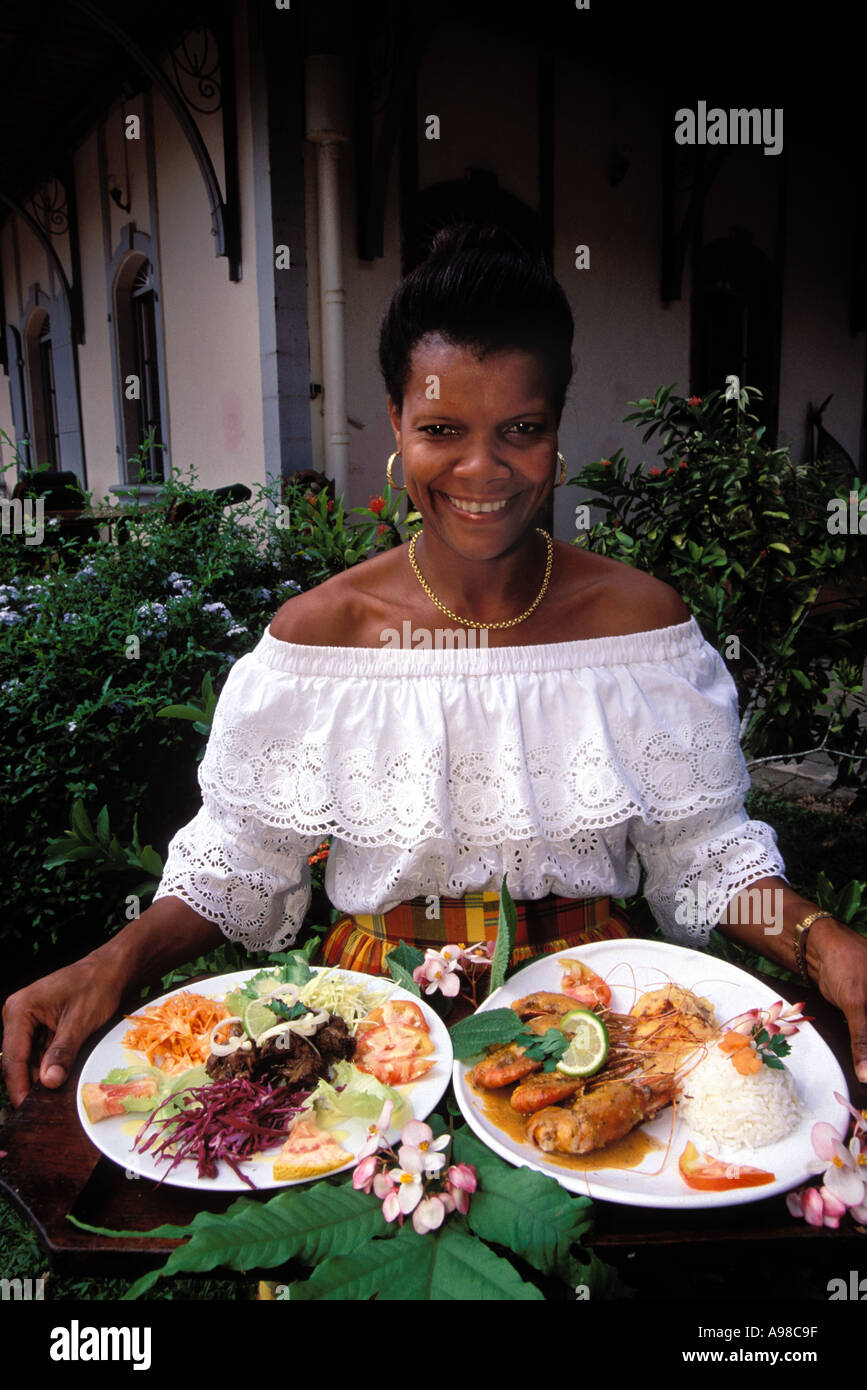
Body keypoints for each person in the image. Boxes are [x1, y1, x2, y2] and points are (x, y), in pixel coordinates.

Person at [4, 224, 867, 1109]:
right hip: (374, 1046)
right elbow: (238, 863)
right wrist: (113, 961)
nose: (481, 470)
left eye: (519, 430)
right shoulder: (320, 643)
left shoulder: (639, 629)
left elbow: (706, 860)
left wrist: (823, 942)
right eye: (442, 429)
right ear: (396, 423)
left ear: (556, 428)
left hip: (598, 1027)